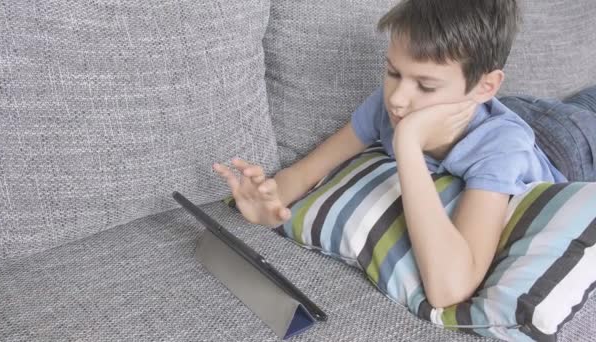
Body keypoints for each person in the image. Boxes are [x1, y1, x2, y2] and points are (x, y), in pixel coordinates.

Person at [212, 0, 592, 308]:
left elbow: (450, 289)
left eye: (425, 85)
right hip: (509, 108)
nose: (397, 99)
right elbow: (306, 172)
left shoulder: (499, 149)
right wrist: (268, 201)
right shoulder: (388, 105)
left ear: (484, 85)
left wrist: (407, 144)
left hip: (568, 140)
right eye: (393, 72)